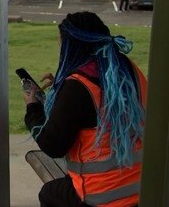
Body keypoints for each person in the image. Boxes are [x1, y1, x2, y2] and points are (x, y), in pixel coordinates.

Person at [23, 12, 147, 207]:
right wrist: (60, 90)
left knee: (49, 193)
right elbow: (101, 104)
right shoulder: (128, 70)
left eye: (62, 45)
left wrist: (33, 107)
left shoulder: (78, 88)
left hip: (101, 197)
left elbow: (52, 144)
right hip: (140, 189)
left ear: (72, 47)